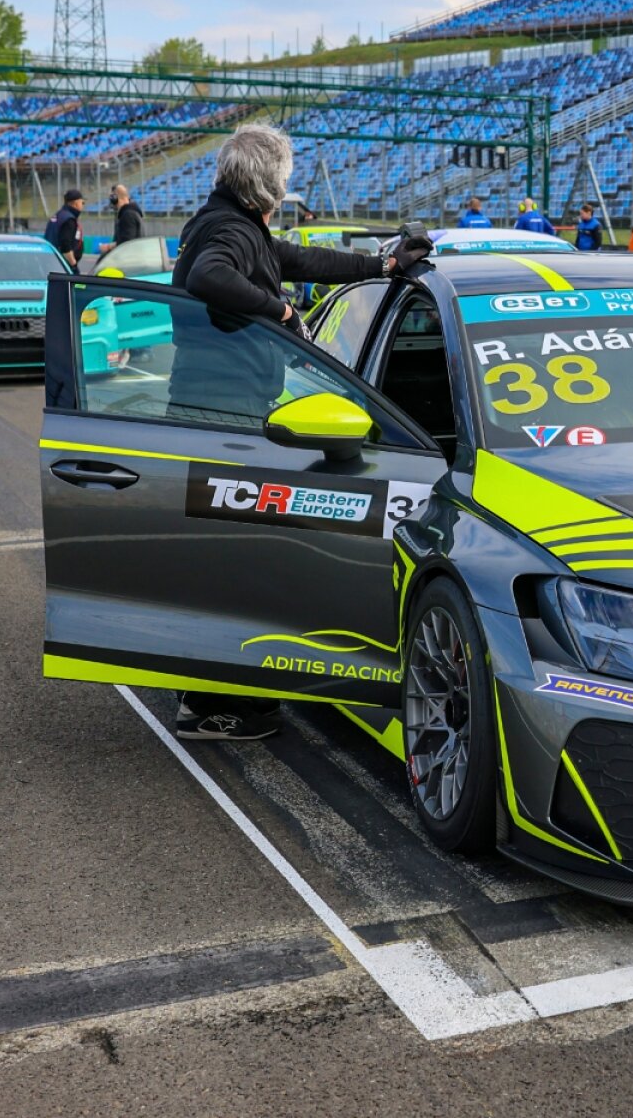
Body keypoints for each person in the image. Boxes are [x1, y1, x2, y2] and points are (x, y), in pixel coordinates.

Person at [167, 123, 434, 742]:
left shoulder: (232, 222)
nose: (287, 189)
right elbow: (209, 277)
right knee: (231, 560)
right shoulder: (230, 232)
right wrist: (281, 310)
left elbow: (301, 258)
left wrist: (381, 265)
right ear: (266, 185)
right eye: (284, 178)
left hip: (221, 411)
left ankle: (214, 690)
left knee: (228, 557)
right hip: (222, 418)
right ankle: (209, 705)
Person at [43, 189, 85, 266]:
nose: (83, 205)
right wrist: (73, 264)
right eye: (82, 203)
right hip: (61, 263)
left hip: (51, 258)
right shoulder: (69, 220)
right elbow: (65, 245)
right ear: (76, 204)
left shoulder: (59, 215)